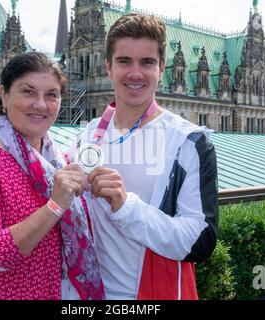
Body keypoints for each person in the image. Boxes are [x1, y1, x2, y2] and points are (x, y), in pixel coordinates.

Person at [72, 14, 219, 300]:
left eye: (147, 62)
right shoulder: (87, 136)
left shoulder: (189, 141)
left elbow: (201, 241)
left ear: (162, 67)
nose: (135, 73)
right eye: (124, 61)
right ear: (108, 67)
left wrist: (127, 206)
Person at [0, 52, 104, 300]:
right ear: (4, 95)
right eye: (28, 92)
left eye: (51, 95)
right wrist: (54, 206)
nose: (41, 104)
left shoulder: (61, 161)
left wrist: (106, 194)